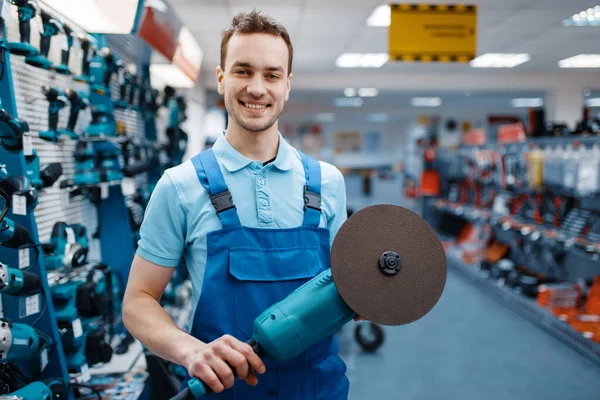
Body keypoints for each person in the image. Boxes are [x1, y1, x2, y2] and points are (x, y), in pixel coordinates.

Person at [122, 10, 349, 399]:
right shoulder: (181, 185)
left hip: (318, 389)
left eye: (272, 75)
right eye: (243, 71)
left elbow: (348, 286)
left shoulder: (328, 183)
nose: (257, 88)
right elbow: (138, 301)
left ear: (288, 85)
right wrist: (192, 351)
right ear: (222, 77)